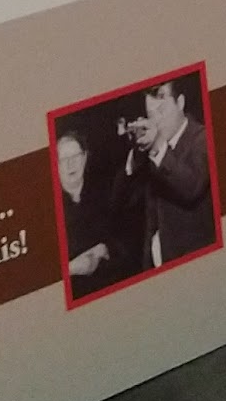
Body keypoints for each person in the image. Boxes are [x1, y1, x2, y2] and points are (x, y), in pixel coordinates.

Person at [122, 80, 215, 270]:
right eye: (151, 114)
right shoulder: (155, 151)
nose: (156, 120)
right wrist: (136, 152)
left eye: (162, 110)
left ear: (180, 103)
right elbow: (122, 204)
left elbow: (191, 187)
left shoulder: (203, 138)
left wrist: (157, 146)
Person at [56, 131, 140, 297]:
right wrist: (71, 268)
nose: (70, 165)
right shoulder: (49, 207)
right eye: (64, 159)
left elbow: (127, 238)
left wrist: (106, 249)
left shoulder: (103, 193)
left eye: (76, 156)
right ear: (55, 164)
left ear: (85, 157)